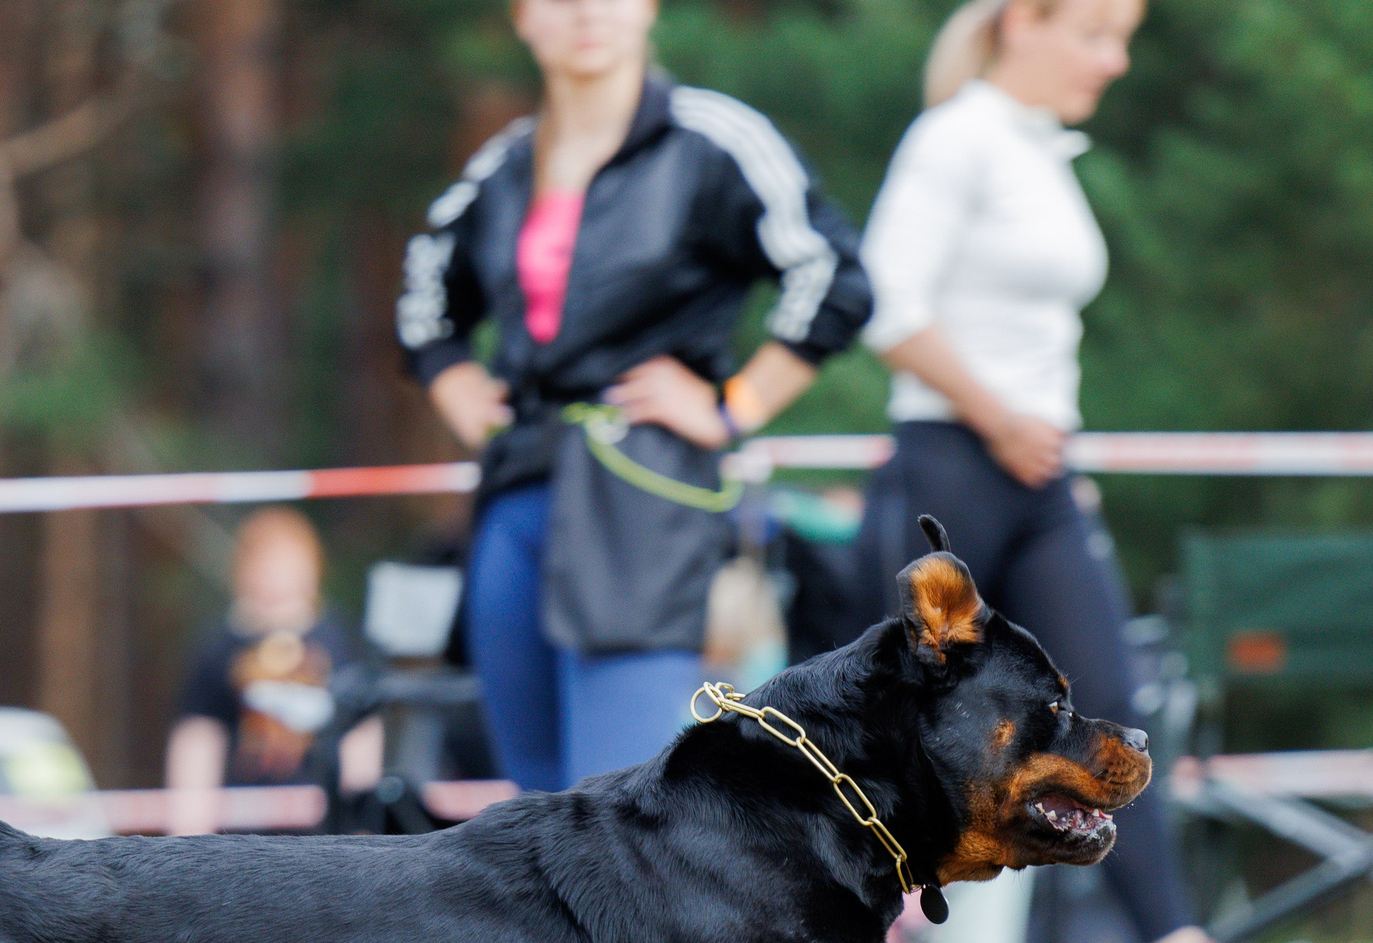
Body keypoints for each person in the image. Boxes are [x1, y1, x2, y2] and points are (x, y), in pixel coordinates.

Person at [857, 0, 1306, 943]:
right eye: (1096, 35)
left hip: (1041, 471)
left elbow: (1032, 338)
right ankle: (835, 941)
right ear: (1024, 21)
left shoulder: (1039, 149)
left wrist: (1054, 444)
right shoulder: (956, 138)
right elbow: (886, 306)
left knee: (1107, 706)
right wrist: (998, 419)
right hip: (954, 462)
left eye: (1124, 39)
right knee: (926, 718)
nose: (1115, 61)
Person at [397, 0, 872, 791]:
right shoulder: (503, 164)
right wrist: (452, 379)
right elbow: (424, 293)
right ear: (523, 17)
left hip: (639, 506)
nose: (586, 11)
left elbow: (834, 276)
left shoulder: (712, 139)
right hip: (515, 500)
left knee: (618, 810)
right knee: (531, 812)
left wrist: (734, 406)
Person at [166, 507, 382, 812]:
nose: (276, 578)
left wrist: (360, 818)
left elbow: (361, 733)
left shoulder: (342, 640)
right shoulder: (219, 646)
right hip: (241, 821)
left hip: (325, 820)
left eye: (286, 565)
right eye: (266, 565)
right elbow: (199, 739)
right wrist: (189, 825)